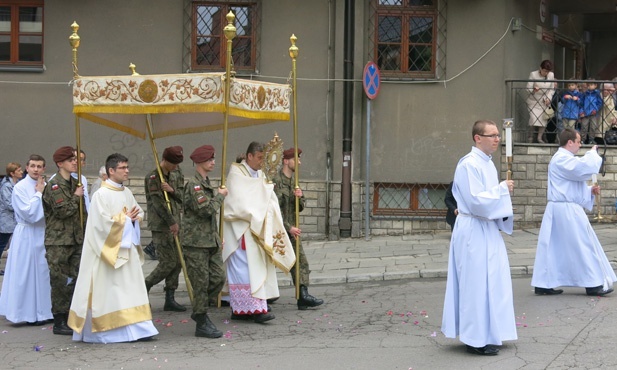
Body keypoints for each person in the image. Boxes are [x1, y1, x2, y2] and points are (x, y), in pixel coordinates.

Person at [441, 120, 516, 356]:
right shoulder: (468, 165)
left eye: (498, 135)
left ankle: (491, 331)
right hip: (472, 228)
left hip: (487, 228)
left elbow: (488, 200)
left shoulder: (488, 164)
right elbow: (475, 201)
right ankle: (474, 338)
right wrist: (503, 189)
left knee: (493, 280)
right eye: (492, 135)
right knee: (475, 283)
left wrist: (501, 194)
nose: (497, 139)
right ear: (477, 138)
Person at [68, 153, 158, 343]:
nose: (127, 171)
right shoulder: (101, 194)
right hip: (107, 254)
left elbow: (138, 212)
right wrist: (126, 220)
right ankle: (108, 330)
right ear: (111, 170)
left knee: (131, 291)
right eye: (123, 168)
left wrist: (134, 219)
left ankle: (139, 328)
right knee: (111, 292)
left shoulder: (126, 192)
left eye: (127, 167)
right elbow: (100, 226)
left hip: (127, 249)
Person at [531, 129, 617, 297]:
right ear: (569, 142)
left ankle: (544, 282)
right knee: (582, 245)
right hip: (566, 210)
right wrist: (592, 154)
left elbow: (570, 183)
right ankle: (592, 284)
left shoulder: (564, 159)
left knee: (553, 247)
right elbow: (581, 169)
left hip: (563, 208)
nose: (580, 145)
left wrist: (588, 191)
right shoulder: (561, 159)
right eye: (578, 141)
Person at [222, 142, 295, 324]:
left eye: (264, 158)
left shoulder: (261, 175)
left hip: (257, 229)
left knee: (257, 269)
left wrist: (267, 193)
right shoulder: (236, 173)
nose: (262, 162)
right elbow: (238, 202)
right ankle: (253, 309)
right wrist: (264, 195)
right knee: (246, 272)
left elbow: (268, 199)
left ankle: (243, 309)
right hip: (240, 231)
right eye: (259, 158)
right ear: (250, 156)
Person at [0, 155, 53, 325]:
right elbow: (29, 214)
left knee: (43, 273)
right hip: (26, 233)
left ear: (44, 169)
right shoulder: (20, 187)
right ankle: (24, 313)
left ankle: (43, 312)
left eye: (39, 166)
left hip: (42, 233)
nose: (36, 169)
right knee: (25, 273)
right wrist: (38, 195)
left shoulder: (47, 186)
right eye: (33, 166)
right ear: (27, 168)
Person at [182, 145, 227, 338]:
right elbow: (206, 210)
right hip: (196, 243)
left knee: (218, 277)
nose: (213, 162)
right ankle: (201, 320)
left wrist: (217, 237)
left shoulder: (205, 183)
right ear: (200, 161)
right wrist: (220, 197)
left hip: (209, 241)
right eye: (210, 159)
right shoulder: (194, 185)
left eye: (214, 158)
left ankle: (199, 309)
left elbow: (209, 218)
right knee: (200, 283)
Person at [42, 146, 87, 335]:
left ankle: (70, 315)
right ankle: (59, 320)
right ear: (60, 163)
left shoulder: (75, 183)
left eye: (76, 159)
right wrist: (76, 197)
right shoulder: (54, 185)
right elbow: (63, 211)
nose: (75, 162)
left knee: (76, 279)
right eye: (71, 159)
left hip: (75, 239)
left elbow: (82, 213)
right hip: (59, 241)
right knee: (60, 281)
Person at [272, 147, 324, 310]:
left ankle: (303, 296)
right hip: (279, 230)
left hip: (291, 231)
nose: (299, 162)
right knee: (270, 263)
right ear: (286, 161)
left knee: (300, 262)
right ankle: (264, 295)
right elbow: (274, 210)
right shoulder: (275, 182)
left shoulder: (294, 182)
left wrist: (300, 197)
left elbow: (300, 208)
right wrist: (289, 227)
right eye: (296, 159)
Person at [144, 146, 186, 312]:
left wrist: (172, 190)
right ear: (165, 160)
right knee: (168, 262)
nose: (175, 166)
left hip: (176, 221)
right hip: (161, 225)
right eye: (173, 163)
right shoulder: (153, 177)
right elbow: (158, 204)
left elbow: (183, 197)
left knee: (178, 262)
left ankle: (170, 296)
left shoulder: (177, 173)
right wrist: (171, 222)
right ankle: (146, 284)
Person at [526, 60, 556, 143]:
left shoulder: (551, 75)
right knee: (533, 118)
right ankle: (530, 137)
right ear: (540, 68)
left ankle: (539, 138)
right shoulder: (533, 74)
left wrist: (549, 98)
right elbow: (528, 88)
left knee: (543, 120)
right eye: (544, 71)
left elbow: (552, 89)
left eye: (548, 71)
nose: (546, 73)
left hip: (544, 101)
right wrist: (534, 90)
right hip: (533, 100)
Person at [0, 162, 23, 269]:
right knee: (2, 244)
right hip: (6, 221)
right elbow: (9, 204)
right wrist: (22, 206)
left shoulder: (17, 184)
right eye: (18, 170)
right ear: (12, 173)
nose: (21, 172)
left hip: (13, 220)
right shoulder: (7, 186)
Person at [579, 79, 603, 144]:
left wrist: (596, 109)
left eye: (591, 85)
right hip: (585, 113)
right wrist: (581, 111)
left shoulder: (597, 94)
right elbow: (581, 103)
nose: (590, 86)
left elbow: (600, 103)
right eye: (588, 85)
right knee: (584, 126)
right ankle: (583, 139)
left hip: (593, 113)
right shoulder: (585, 94)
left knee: (593, 127)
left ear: (595, 85)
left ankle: (591, 139)